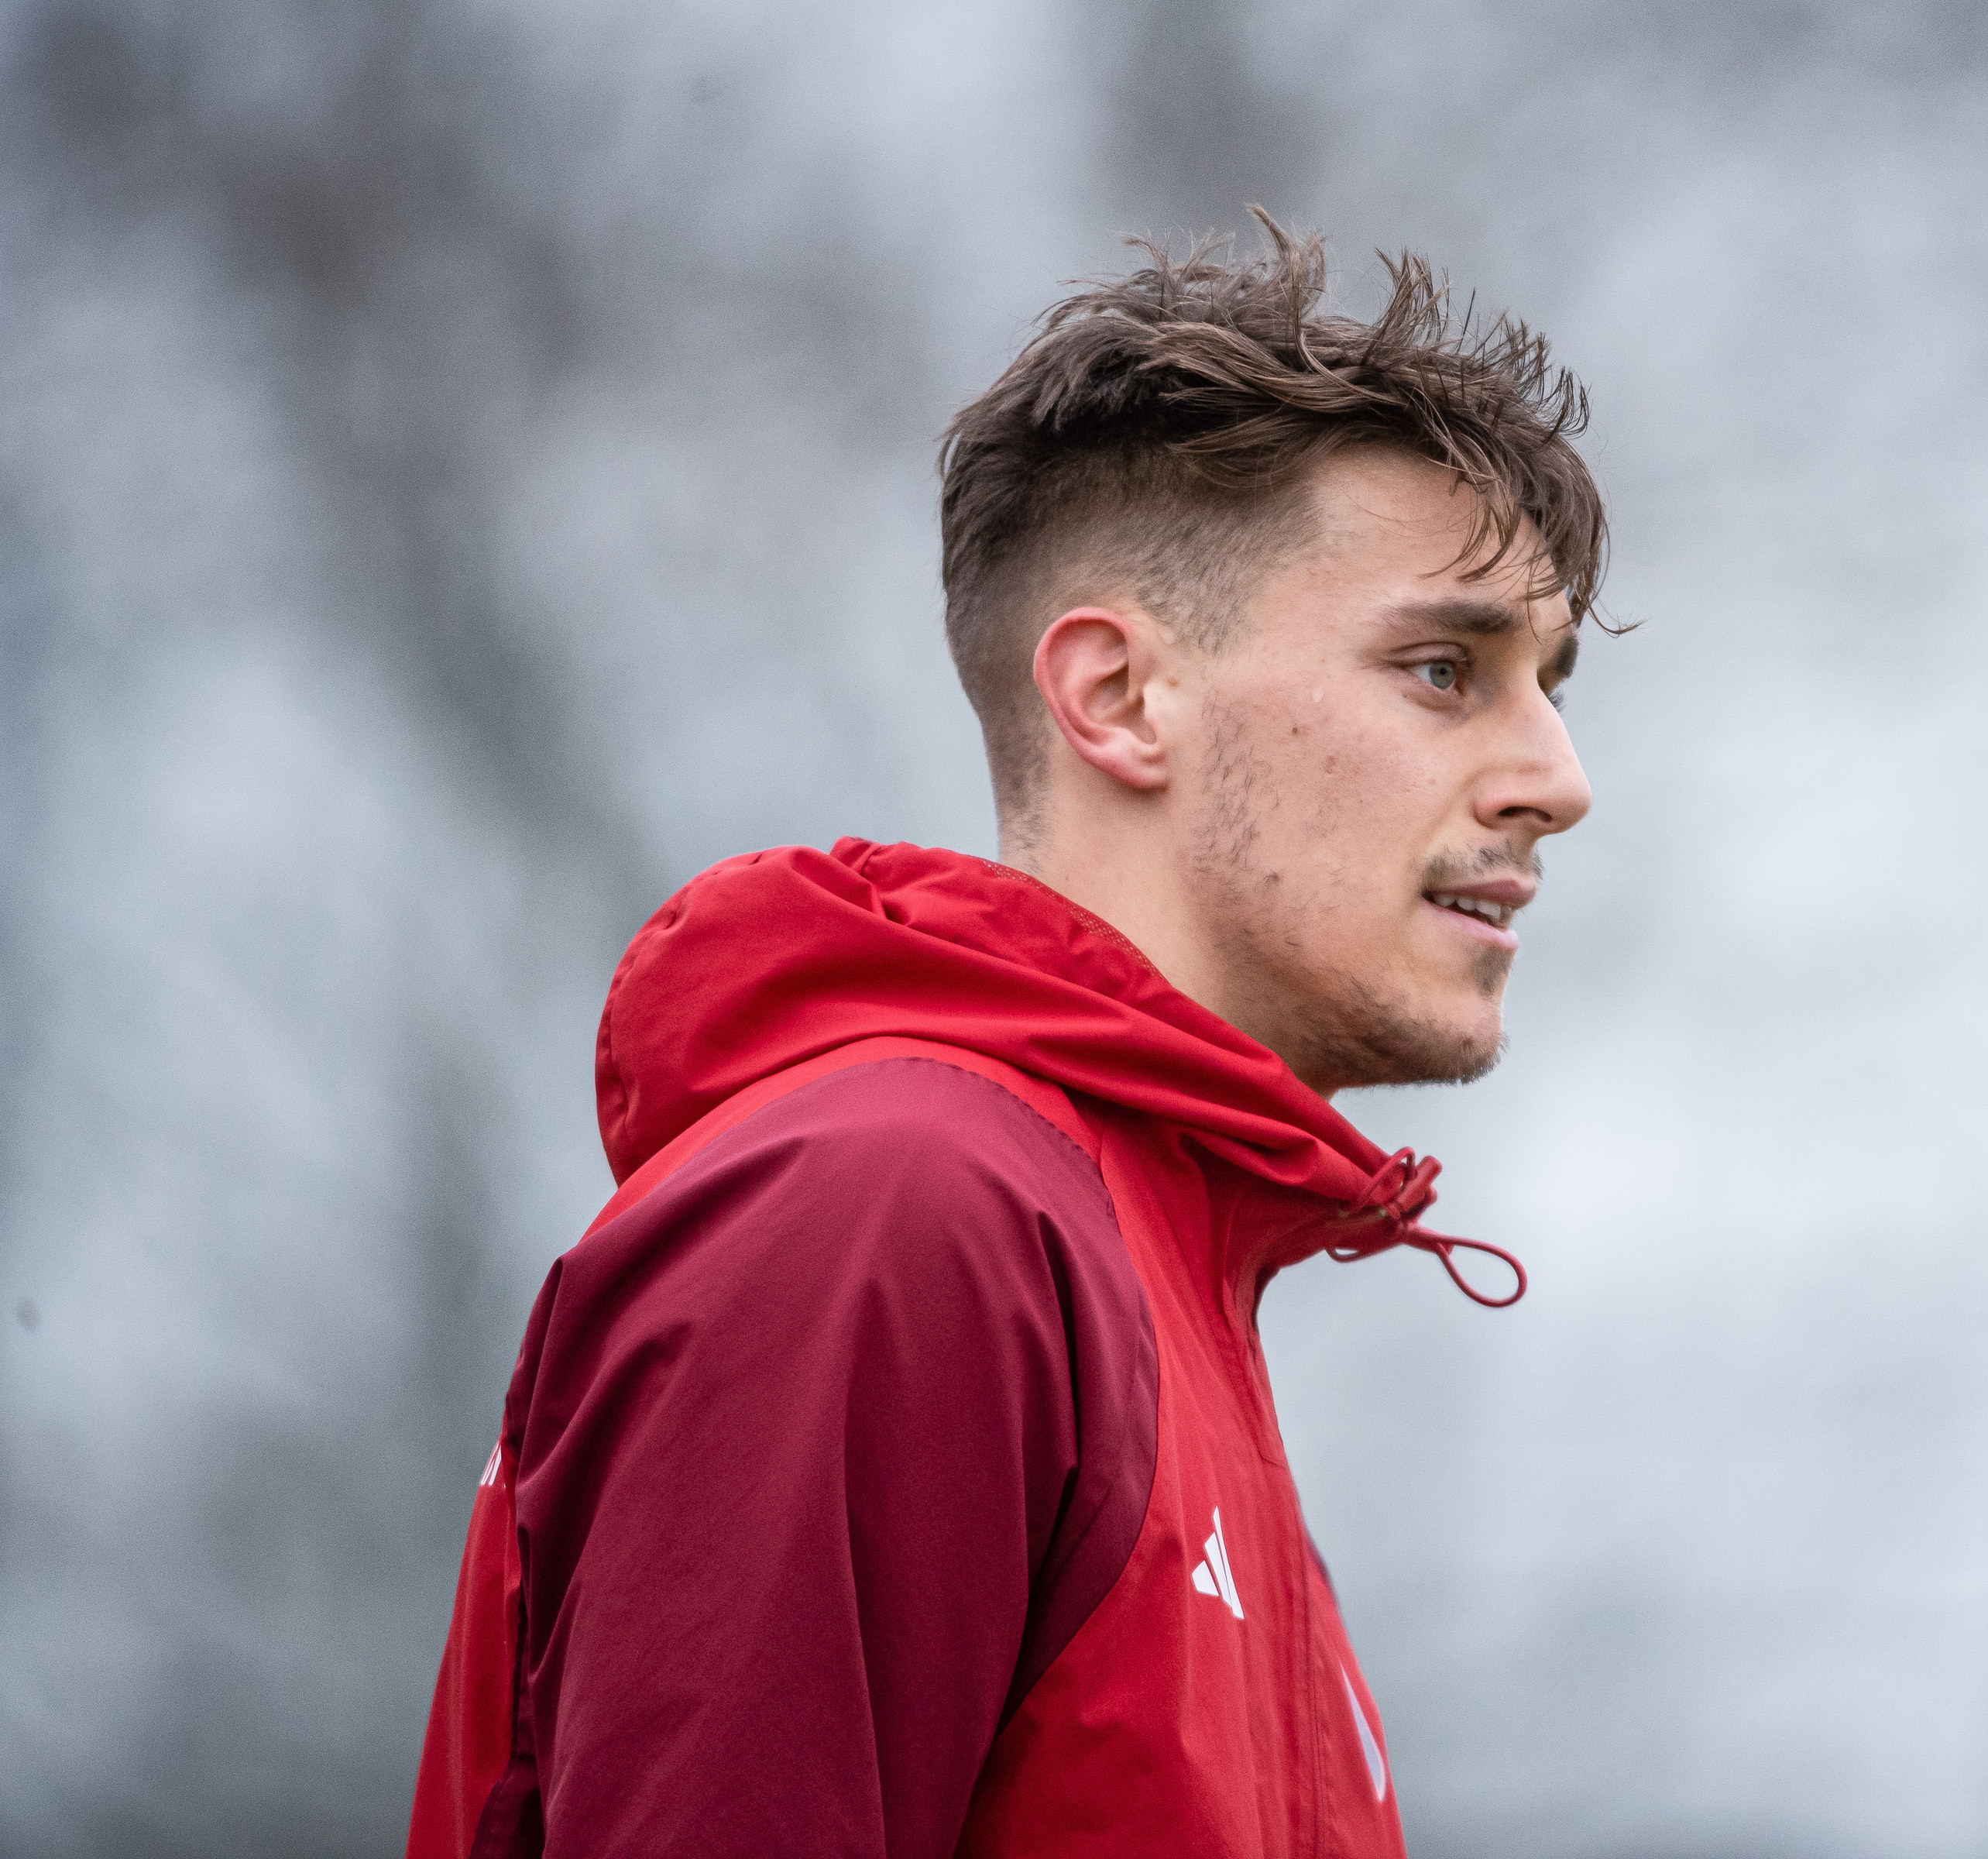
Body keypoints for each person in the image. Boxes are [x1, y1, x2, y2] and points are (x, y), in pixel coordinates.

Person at [406, 217, 1605, 1859]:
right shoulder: (893, 1211)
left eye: (1550, 684)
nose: (1558, 780)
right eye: (1444, 669)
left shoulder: (1150, 1280)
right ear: (1117, 697)